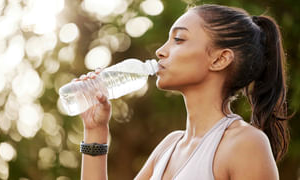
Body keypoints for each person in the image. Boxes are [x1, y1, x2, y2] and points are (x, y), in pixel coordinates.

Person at [77, 4, 290, 180]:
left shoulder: (245, 144)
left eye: (178, 39)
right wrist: (96, 130)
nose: (161, 51)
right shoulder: (168, 147)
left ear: (219, 59)